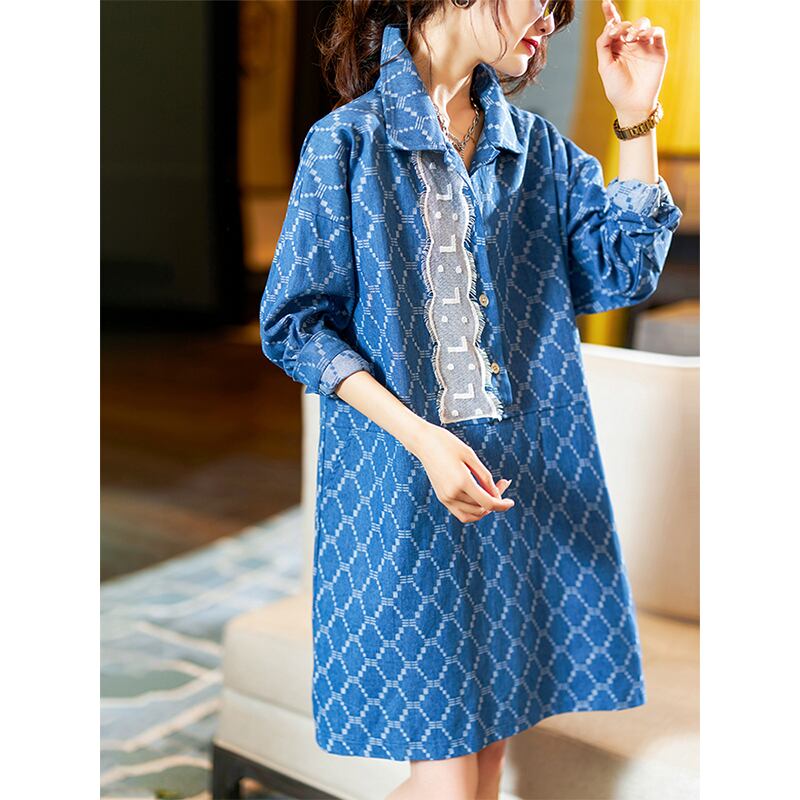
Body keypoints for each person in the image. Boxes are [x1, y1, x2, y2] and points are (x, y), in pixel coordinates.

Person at [260, 0, 682, 797]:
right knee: (452, 783)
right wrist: (423, 438)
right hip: (407, 493)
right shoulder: (348, 143)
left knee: (482, 772)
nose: (549, 23)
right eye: (541, 1)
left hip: (516, 496)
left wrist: (636, 116)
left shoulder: (537, 153)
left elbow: (622, 271)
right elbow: (296, 326)